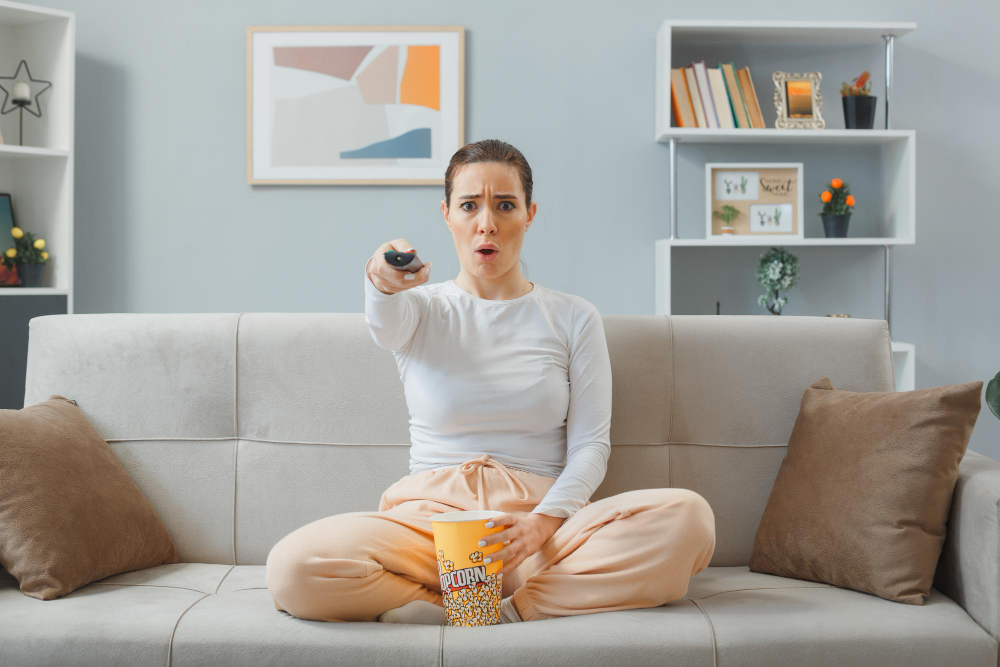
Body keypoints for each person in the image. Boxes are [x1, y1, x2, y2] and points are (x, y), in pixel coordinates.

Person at [265, 139, 716, 625]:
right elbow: (384, 321)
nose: (487, 223)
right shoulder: (419, 309)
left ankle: (509, 609)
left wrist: (540, 526)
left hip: (537, 533)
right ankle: (466, 604)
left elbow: (590, 446)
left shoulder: (573, 317)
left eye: (505, 205)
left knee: (689, 518)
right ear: (447, 215)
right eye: (469, 206)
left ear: (529, 214)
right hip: (430, 529)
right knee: (292, 568)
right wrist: (380, 279)